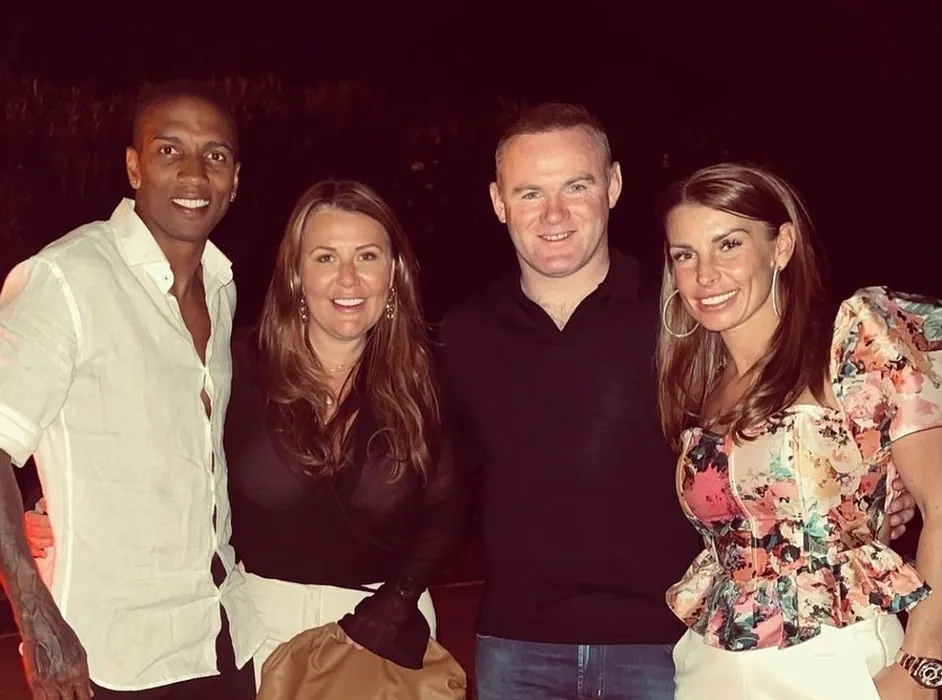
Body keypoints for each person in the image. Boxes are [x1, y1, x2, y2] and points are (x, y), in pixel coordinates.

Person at [437, 103, 919, 700]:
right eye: (530, 192)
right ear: (498, 201)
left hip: (665, 642)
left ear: (613, 185)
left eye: (576, 186)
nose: (554, 213)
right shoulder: (461, 333)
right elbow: (434, 478)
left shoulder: (688, 315)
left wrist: (874, 493)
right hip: (519, 643)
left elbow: (801, 414)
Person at [26, 179, 470, 690]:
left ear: (393, 273)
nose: (348, 278)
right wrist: (57, 497)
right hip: (260, 631)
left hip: (385, 632)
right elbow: (160, 443)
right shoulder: (238, 365)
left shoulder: (423, 377)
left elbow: (449, 507)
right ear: (297, 274)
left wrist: (399, 598)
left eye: (367, 256)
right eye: (325, 257)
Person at [0, 80, 260, 699]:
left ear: (235, 179)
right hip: (109, 657)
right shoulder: (67, 279)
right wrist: (34, 614)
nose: (194, 174)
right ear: (134, 166)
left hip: (221, 636)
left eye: (215, 155)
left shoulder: (221, 286)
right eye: (170, 151)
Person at [658, 162, 941, 698]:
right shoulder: (698, 383)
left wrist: (920, 668)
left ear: (782, 246)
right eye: (684, 255)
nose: (705, 275)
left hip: (836, 658)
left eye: (729, 245)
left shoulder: (850, 341)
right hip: (710, 667)